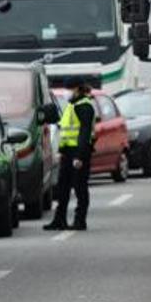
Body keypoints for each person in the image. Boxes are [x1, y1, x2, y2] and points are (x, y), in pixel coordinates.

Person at [44, 80, 96, 231]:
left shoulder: (84, 106)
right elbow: (65, 132)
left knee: (80, 188)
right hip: (68, 152)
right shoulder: (72, 105)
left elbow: (85, 133)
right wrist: (61, 151)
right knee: (63, 188)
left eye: (70, 89)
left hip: (79, 153)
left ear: (78, 89)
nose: (67, 92)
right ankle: (59, 219)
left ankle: (80, 221)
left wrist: (79, 156)